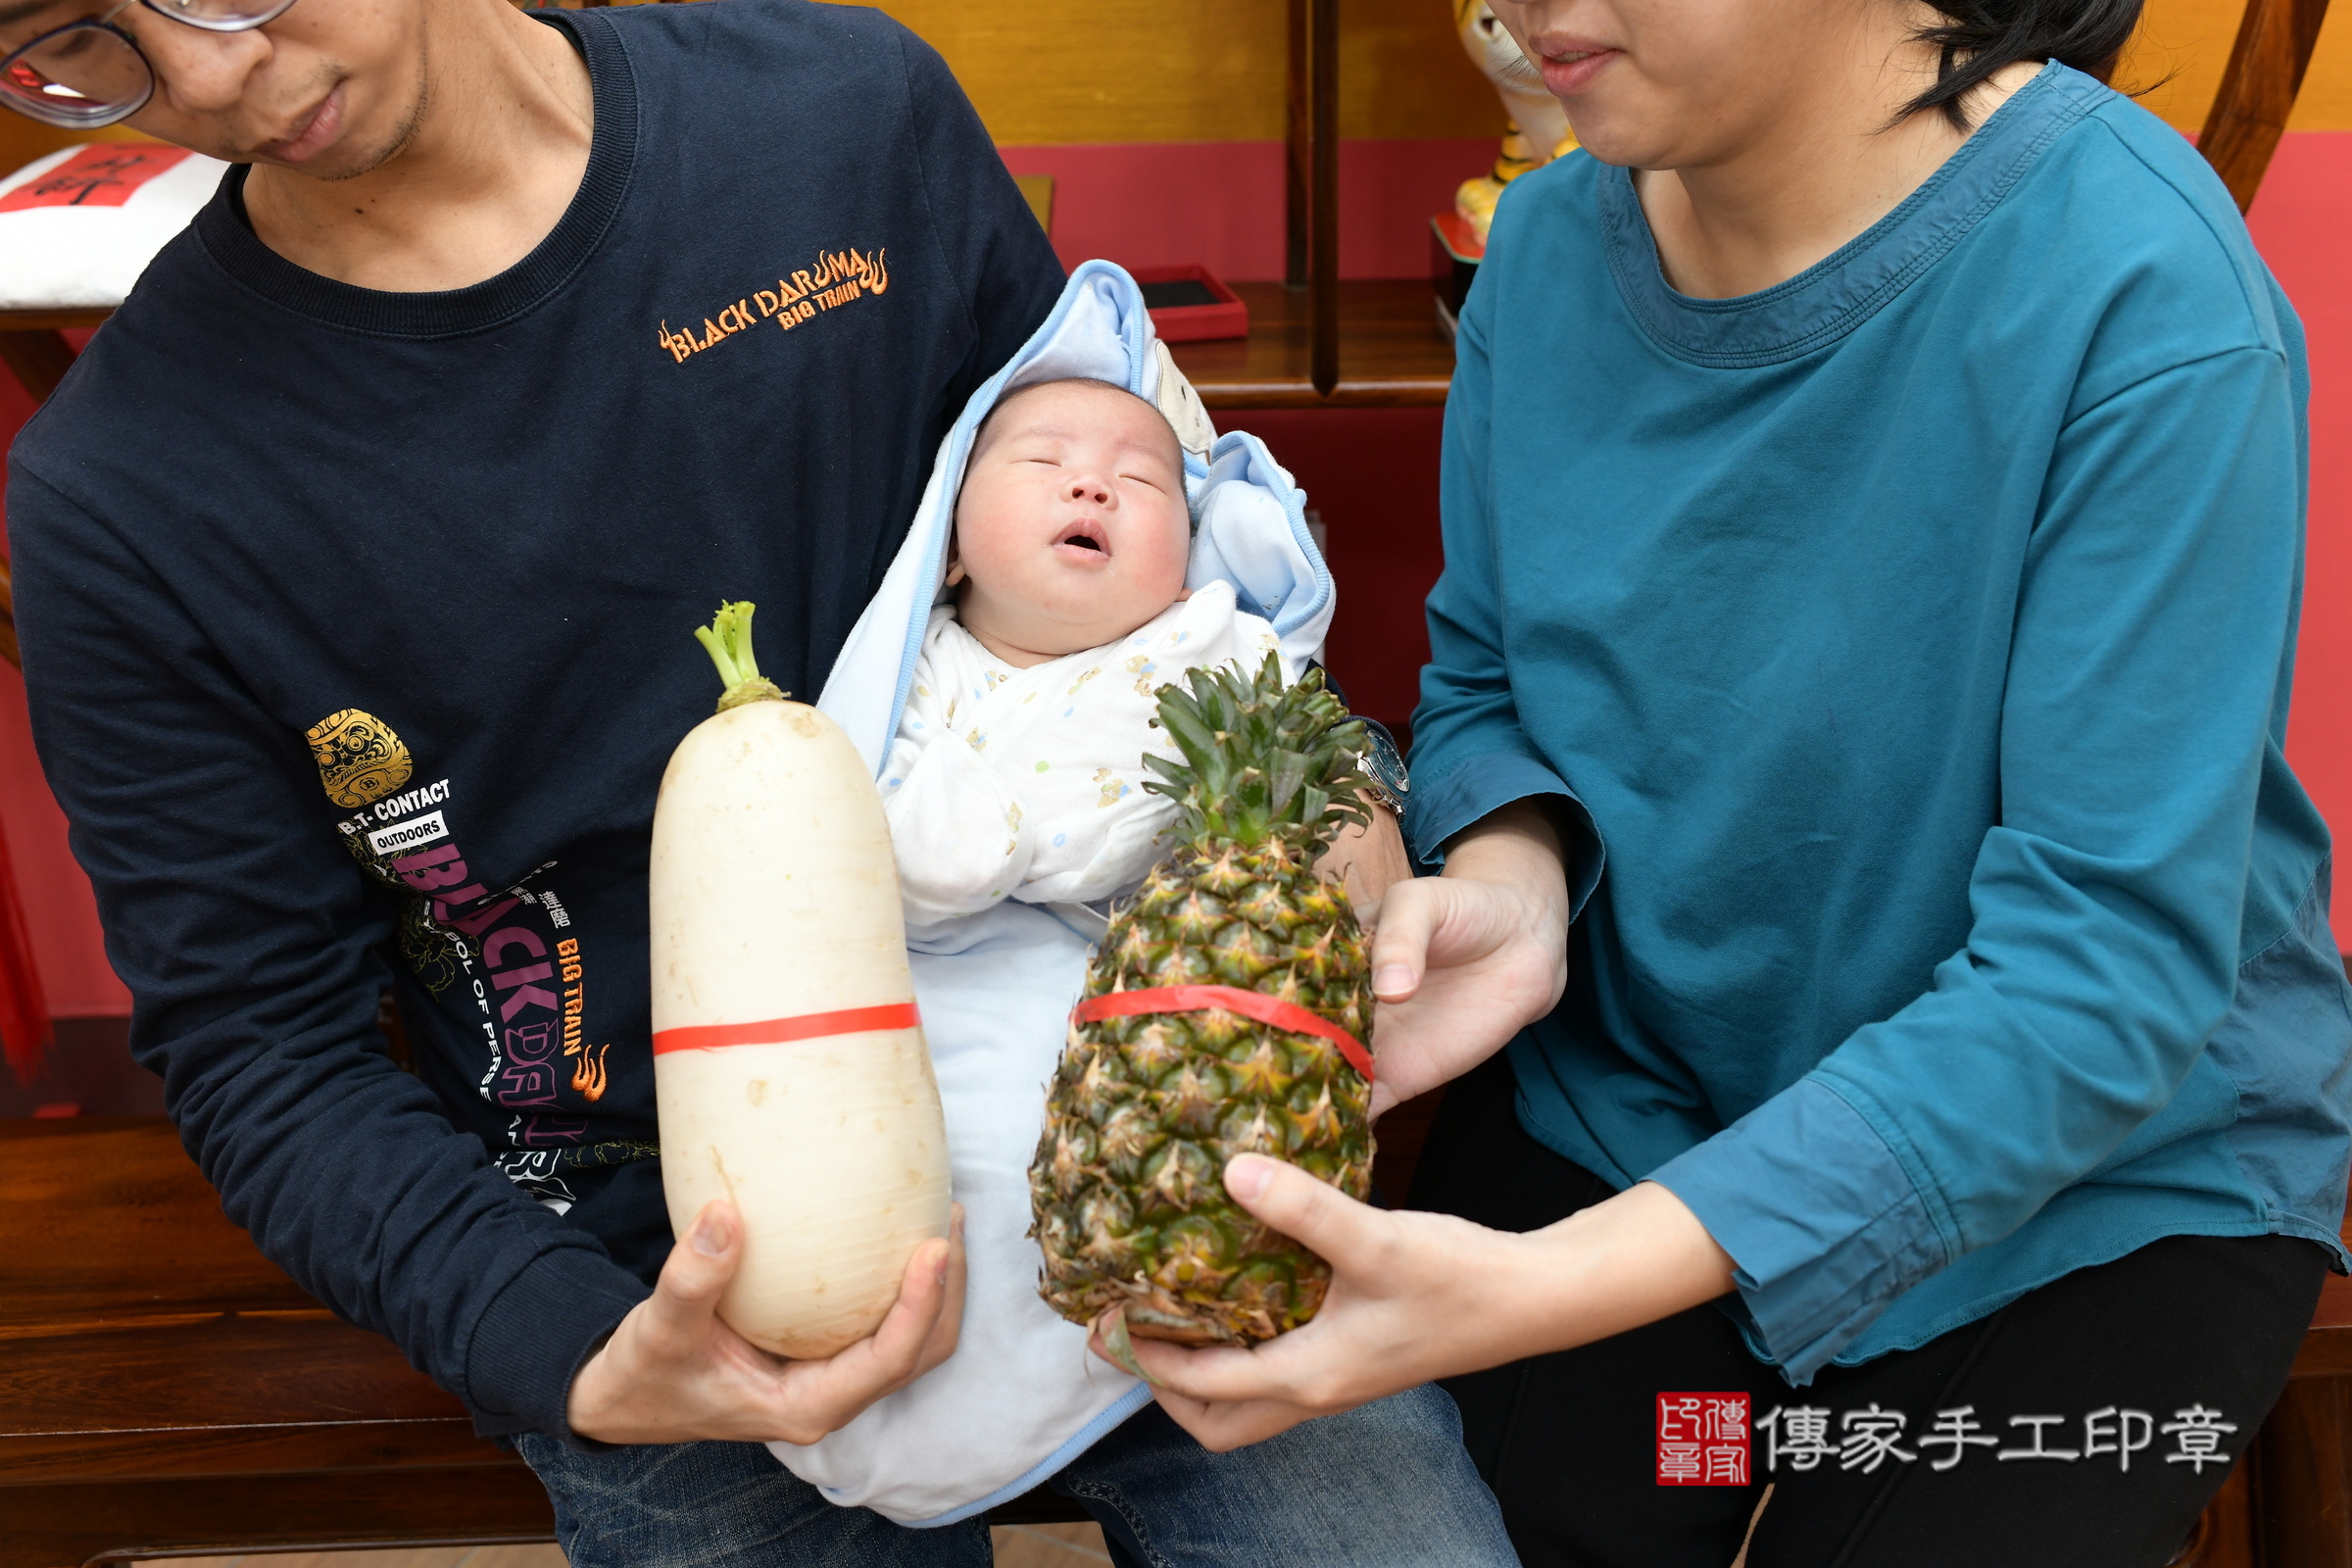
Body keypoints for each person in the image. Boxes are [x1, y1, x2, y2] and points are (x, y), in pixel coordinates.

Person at [0, 1, 1446, 1564]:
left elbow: (1164, 561)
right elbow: (255, 1047)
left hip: (1138, 1087)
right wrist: (576, 1352)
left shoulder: (841, 116)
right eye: (73, 37)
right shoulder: (125, 487)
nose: (208, 77)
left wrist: (1341, 802)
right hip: (649, 1245)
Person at [1106, 2, 2352, 1565]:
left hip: (2082, 1187)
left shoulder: (2148, 296)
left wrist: (1536, 1290)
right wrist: (1514, 876)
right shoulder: (1548, 246)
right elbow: (1487, 682)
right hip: (1633, 1102)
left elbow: (2099, 977)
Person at [885, 375, 1293, 927]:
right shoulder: (918, 669)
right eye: (1042, 461)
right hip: (974, 955)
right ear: (951, 547)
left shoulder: (1206, 640)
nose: (1093, 485)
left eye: (1140, 477)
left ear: (1184, 570)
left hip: (1189, 945)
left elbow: (1297, 769)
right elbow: (908, 847)